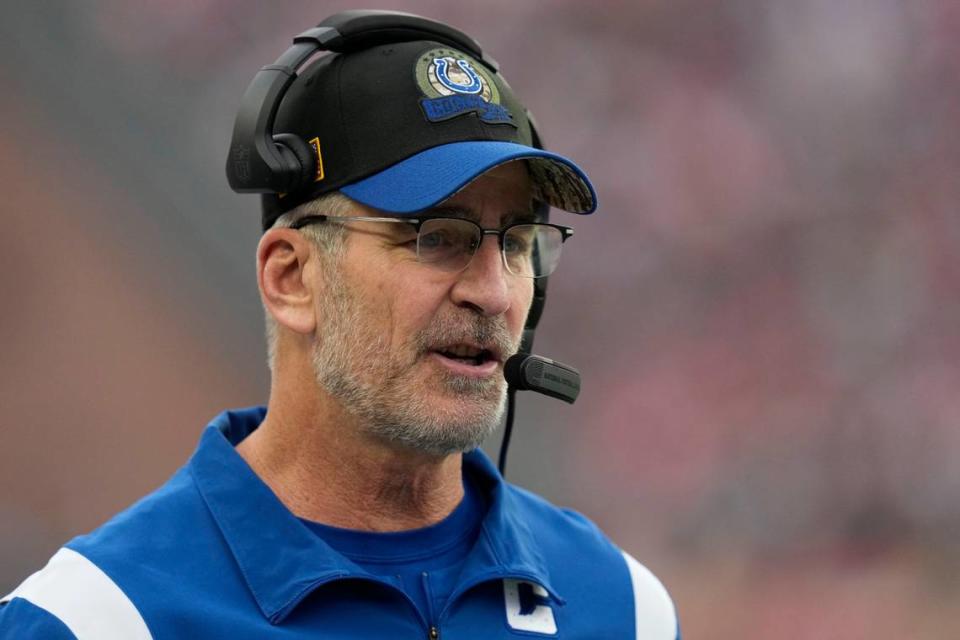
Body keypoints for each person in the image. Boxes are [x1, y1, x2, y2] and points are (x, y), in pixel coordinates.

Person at [0, 11, 679, 639]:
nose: (495, 292)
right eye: (437, 237)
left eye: (518, 242)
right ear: (291, 279)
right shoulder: (94, 619)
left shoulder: (624, 607)